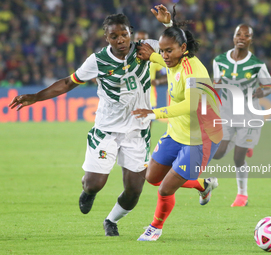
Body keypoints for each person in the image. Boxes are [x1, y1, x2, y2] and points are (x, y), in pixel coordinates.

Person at [9, 13, 162, 237]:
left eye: (124, 34)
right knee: (94, 184)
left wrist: (168, 24)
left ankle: (111, 220)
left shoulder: (147, 48)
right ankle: (88, 190)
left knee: (133, 191)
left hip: (138, 130)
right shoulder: (97, 60)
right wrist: (36, 97)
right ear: (106, 38)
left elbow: (180, 44)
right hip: (106, 130)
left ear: (130, 32)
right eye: (114, 36)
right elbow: (68, 83)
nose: (120, 39)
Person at [132, 4, 223, 241]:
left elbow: (191, 105)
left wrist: (154, 113)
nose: (164, 56)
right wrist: (154, 50)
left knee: (165, 188)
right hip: (177, 132)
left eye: (168, 51)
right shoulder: (173, 59)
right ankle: (202, 184)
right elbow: (166, 56)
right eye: (161, 51)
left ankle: (155, 227)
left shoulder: (194, 70)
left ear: (183, 49)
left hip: (201, 138)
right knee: (152, 177)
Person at [212, 24, 271, 207]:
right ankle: (246, 145)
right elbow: (217, 84)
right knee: (217, 154)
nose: (241, 37)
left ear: (251, 40)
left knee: (238, 158)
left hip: (248, 116)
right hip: (227, 114)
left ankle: (242, 195)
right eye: (238, 34)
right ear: (233, 37)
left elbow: (268, 86)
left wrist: (260, 93)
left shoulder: (257, 64)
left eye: (246, 35)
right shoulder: (219, 61)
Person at [134, 30, 167, 110]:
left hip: (149, 100)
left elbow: (168, 73)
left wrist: (158, 81)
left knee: (148, 122)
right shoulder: (125, 57)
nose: (141, 42)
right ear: (133, 40)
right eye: (138, 39)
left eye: (144, 40)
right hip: (131, 100)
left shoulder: (154, 58)